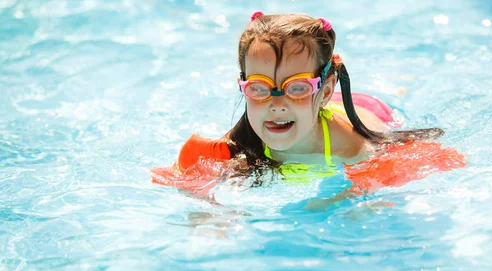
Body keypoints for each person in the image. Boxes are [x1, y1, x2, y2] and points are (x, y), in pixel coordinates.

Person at [152, 12, 467, 199]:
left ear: (325, 89)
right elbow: (186, 186)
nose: (277, 104)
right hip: (321, 107)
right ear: (243, 86)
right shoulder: (236, 144)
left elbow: (388, 178)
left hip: (371, 110)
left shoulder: (354, 148)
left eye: (296, 87)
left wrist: (336, 202)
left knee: (398, 90)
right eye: (259, 88)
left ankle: (401, 80)